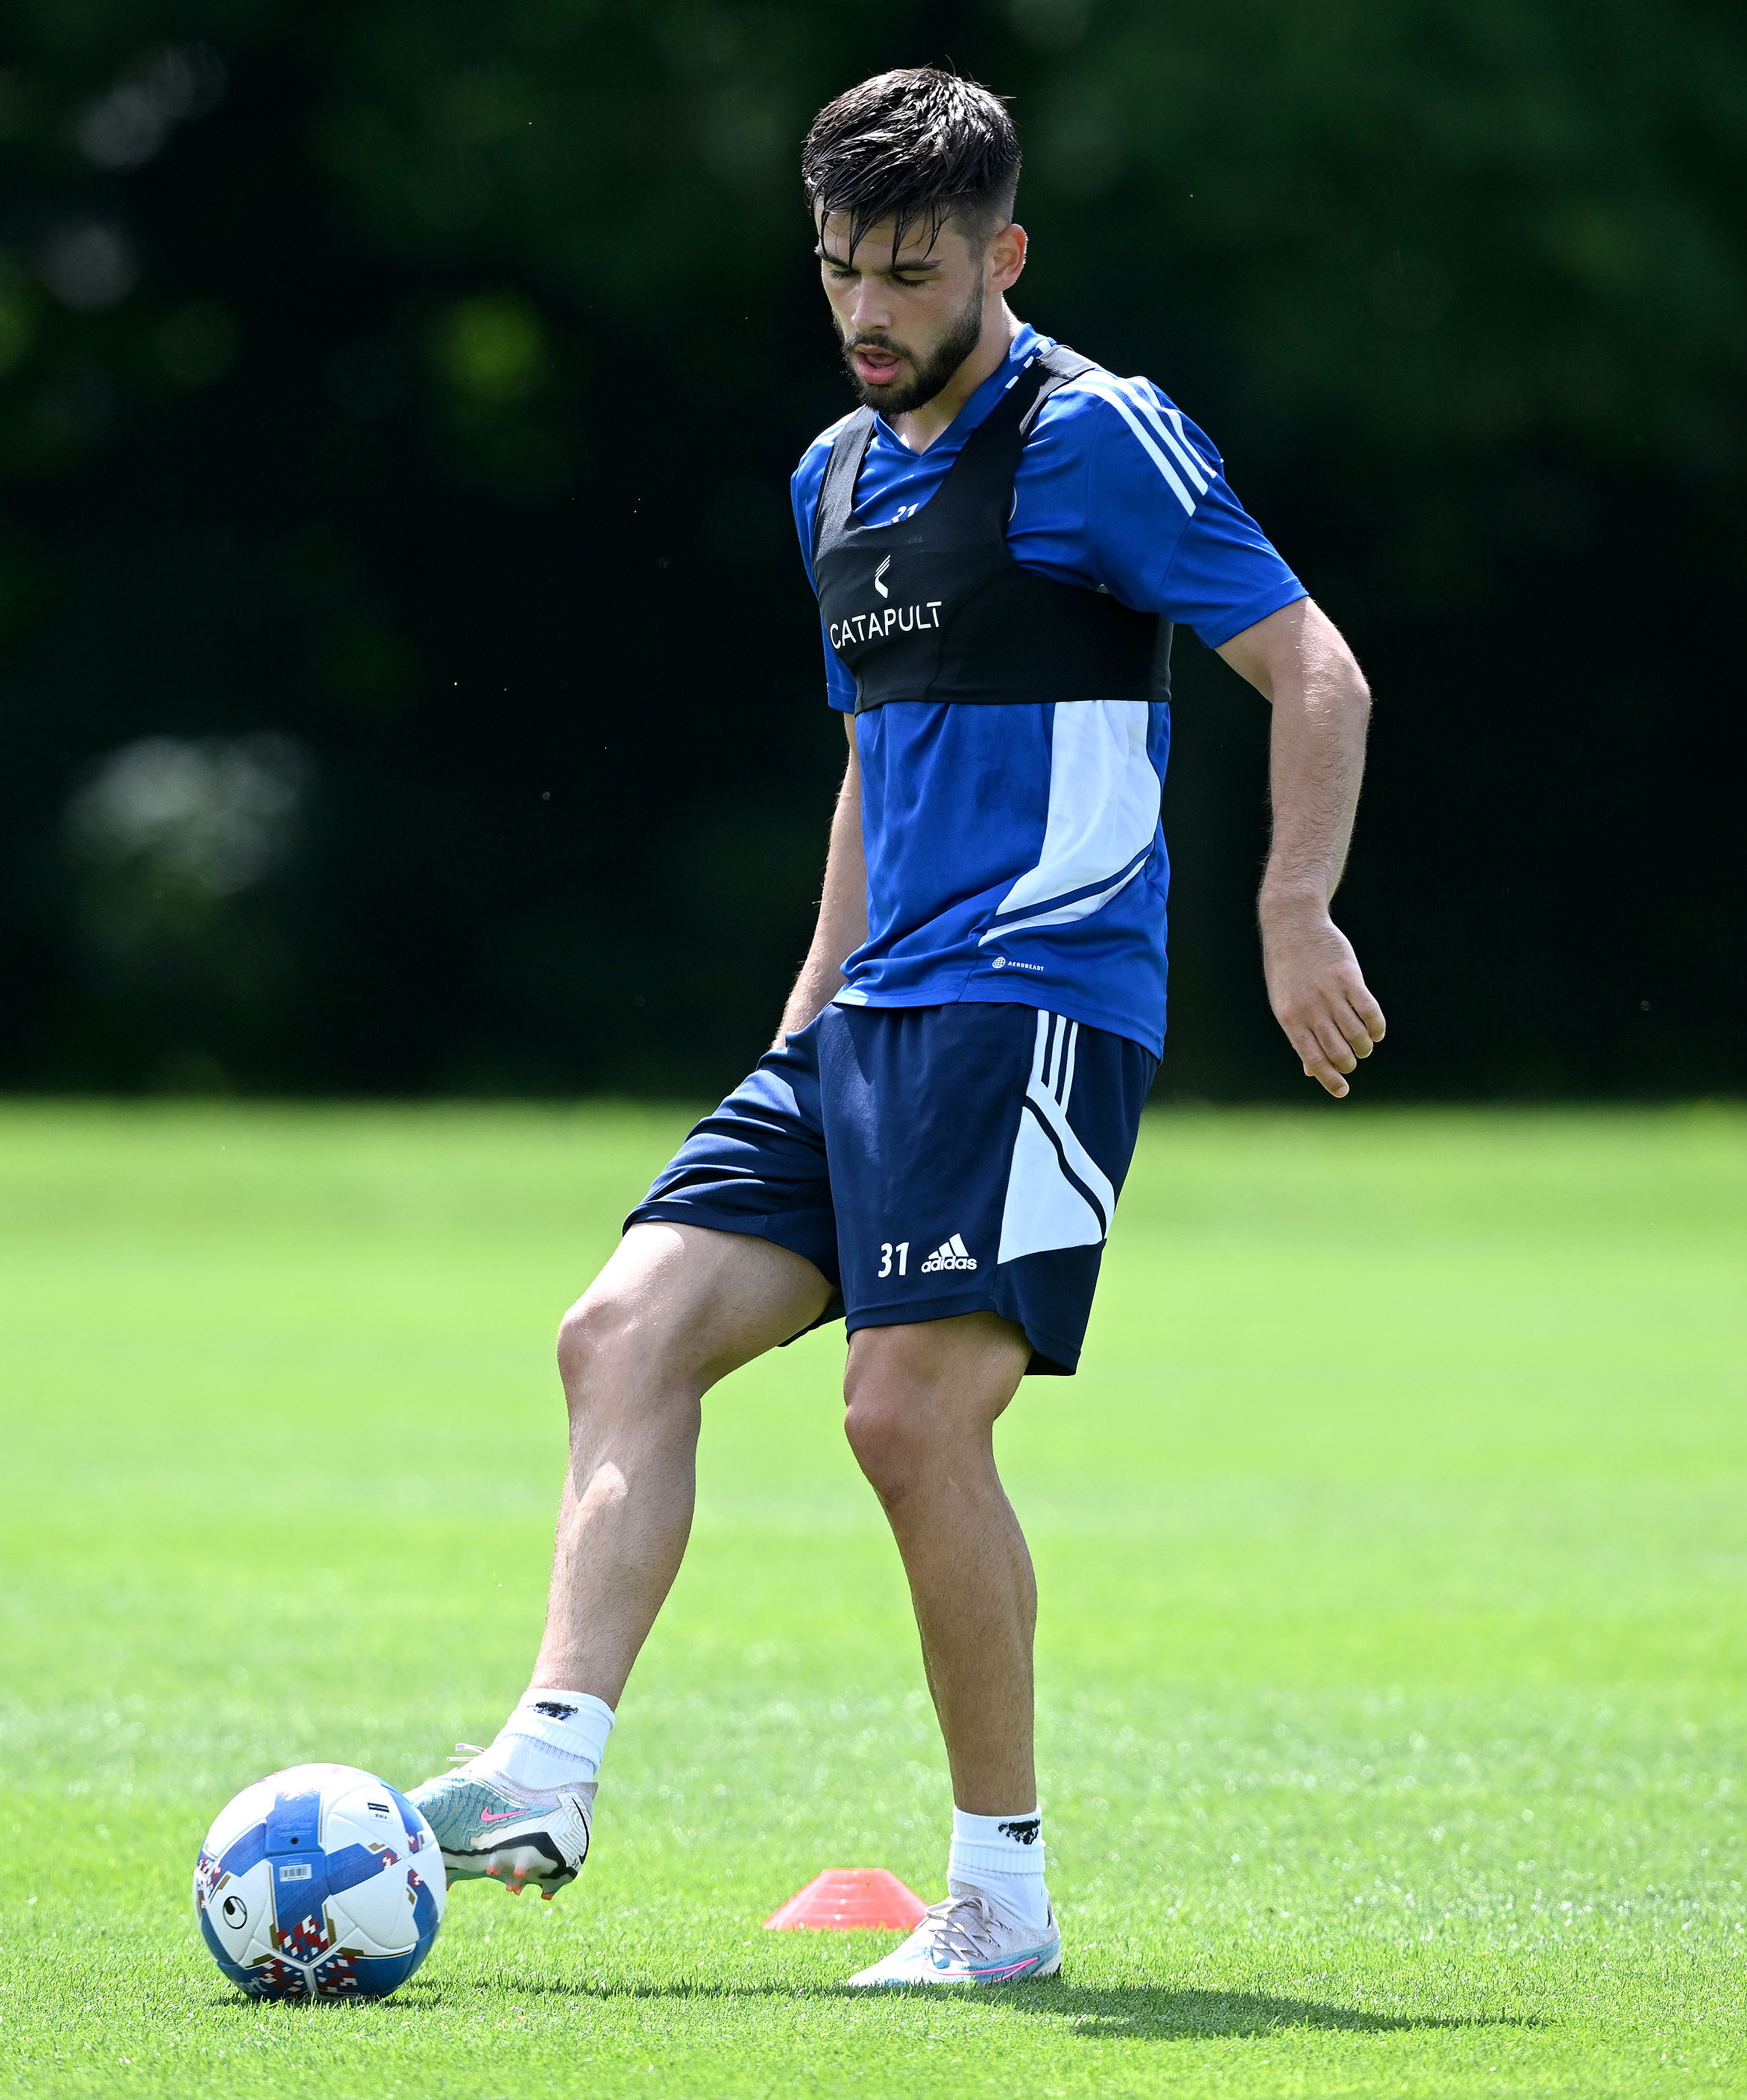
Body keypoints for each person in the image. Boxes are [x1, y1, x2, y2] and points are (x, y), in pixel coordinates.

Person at [409, 66, 1385, 1987]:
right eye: (841, 268)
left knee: (904, 1413)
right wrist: (805, 1028)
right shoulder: (833, 480)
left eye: (912, 274)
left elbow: (1314, 667)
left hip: (1036, 1002)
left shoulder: (1096, 438)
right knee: (619, 1331)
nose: (869, 309)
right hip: (869, 1017)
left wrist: (1293, 914)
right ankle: (546, 1769)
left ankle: (1000, 1900)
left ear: (1004, 257)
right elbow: (875, 767)